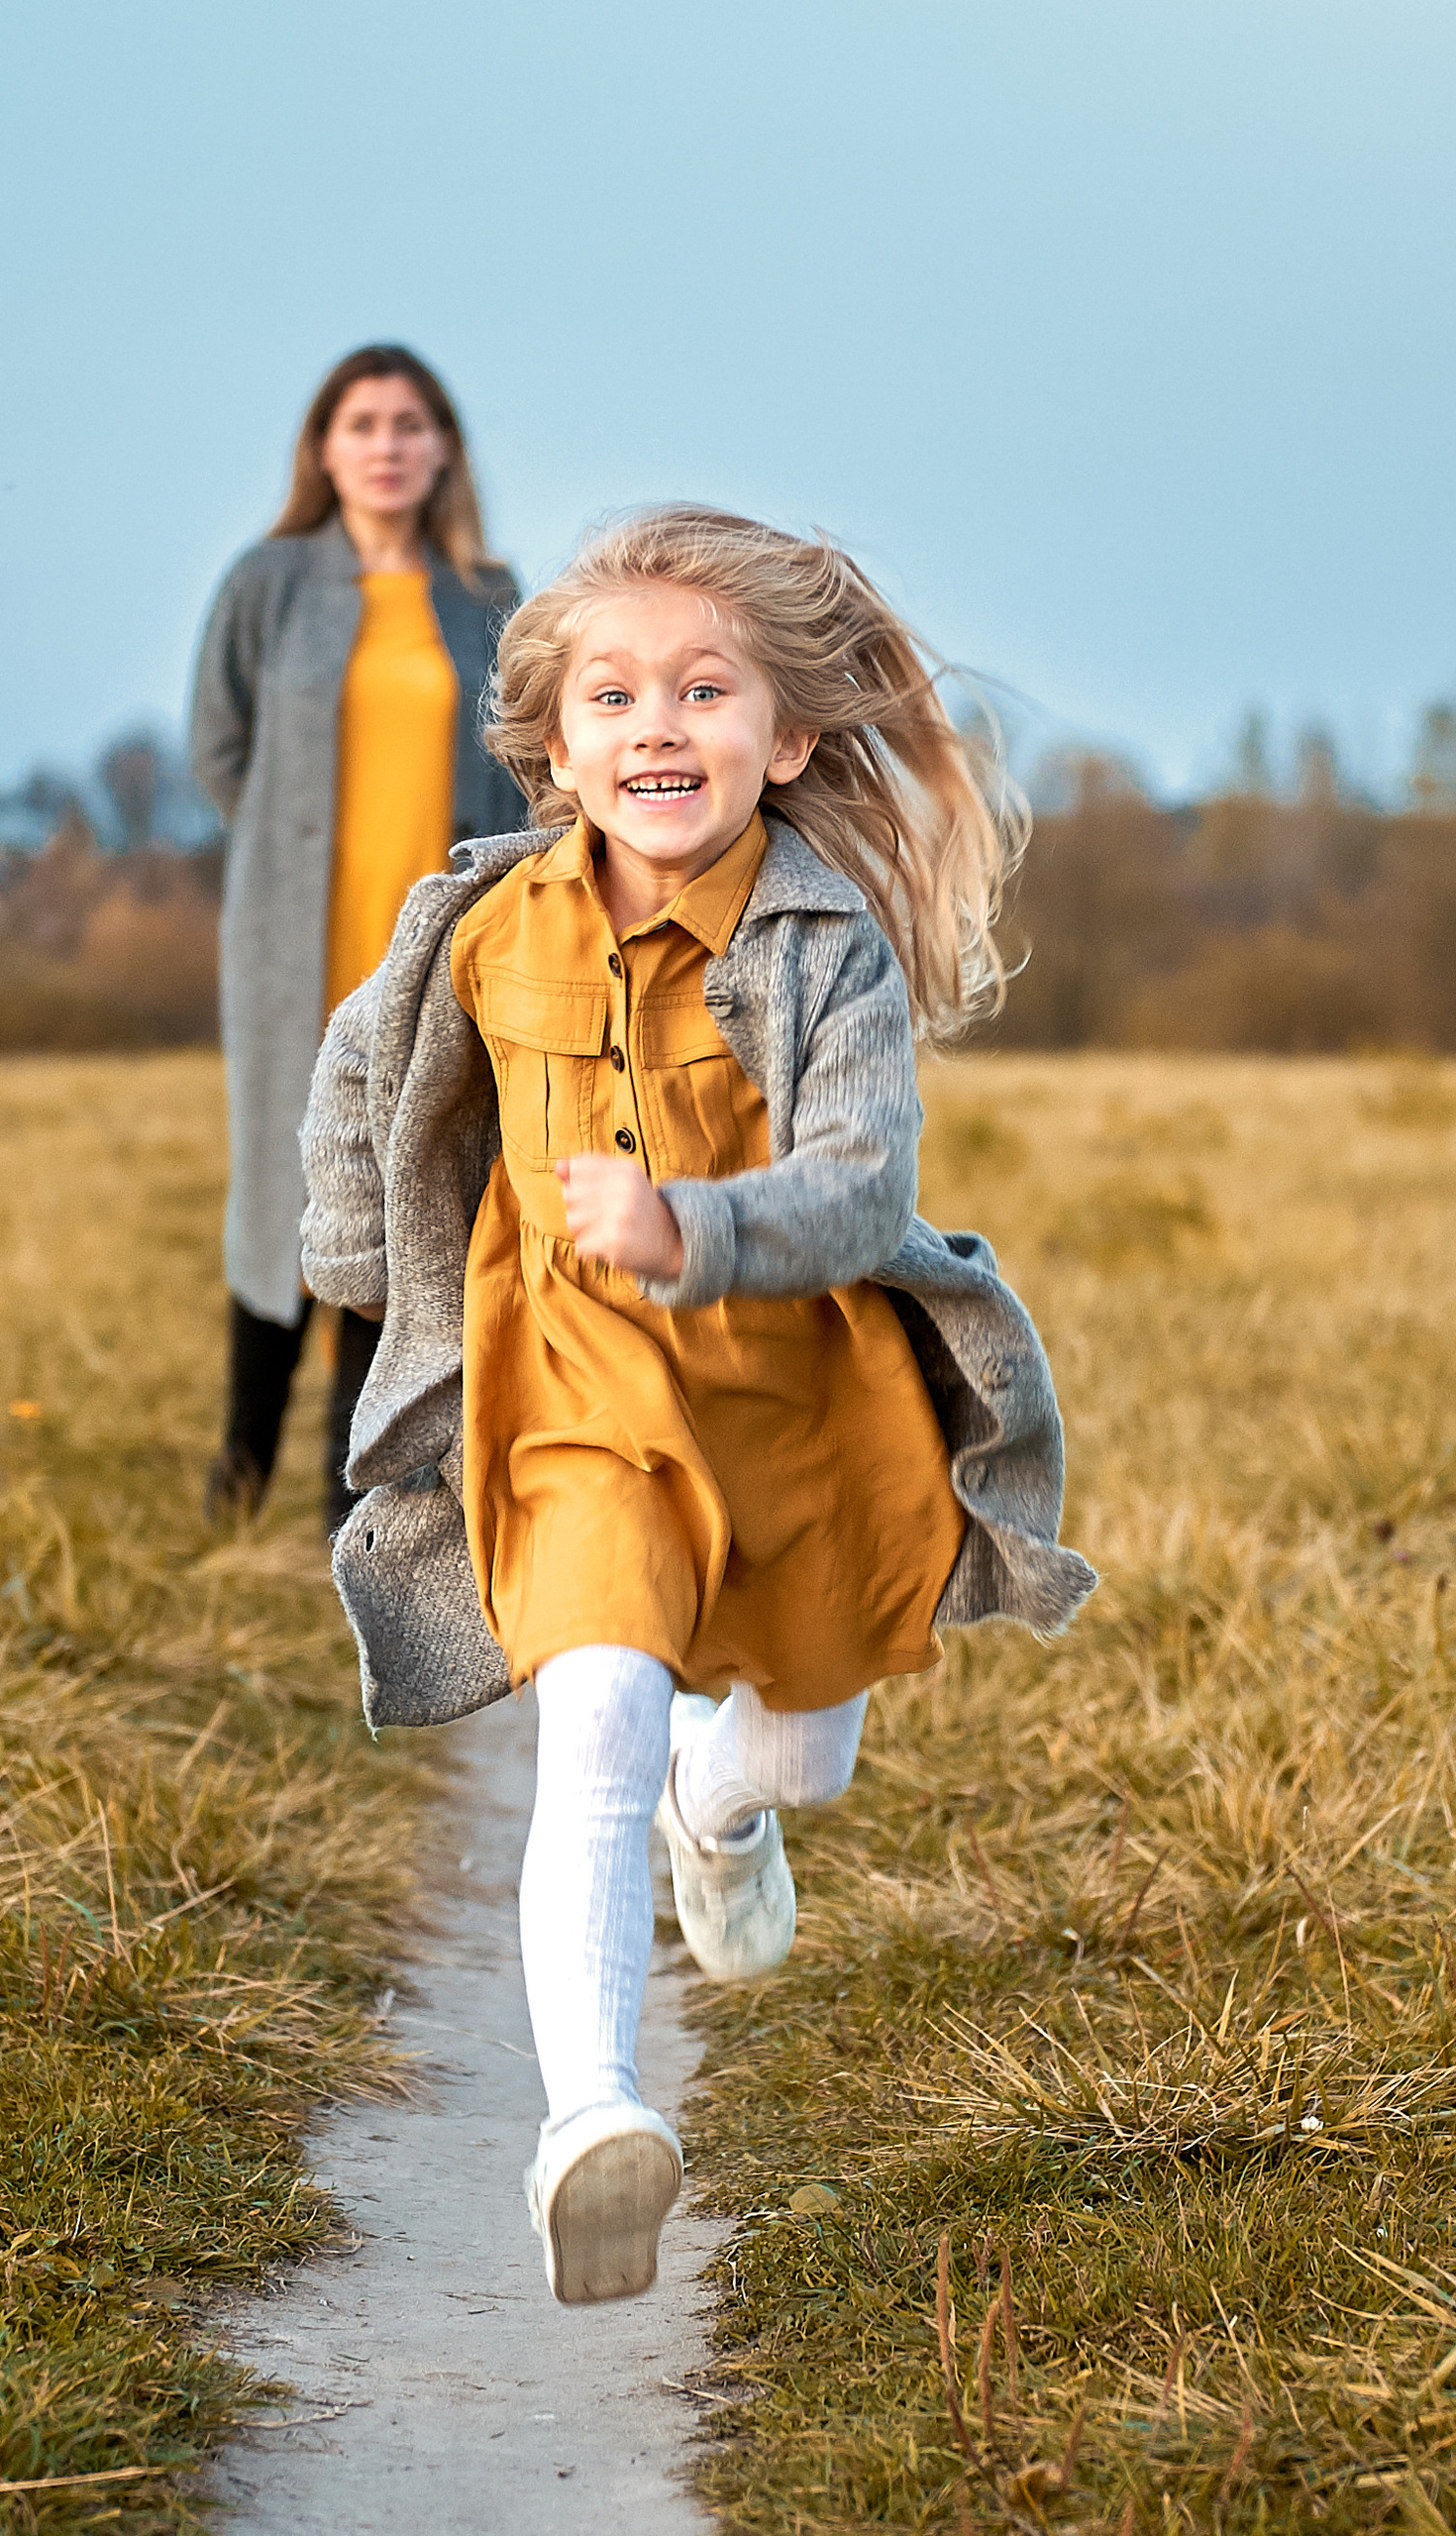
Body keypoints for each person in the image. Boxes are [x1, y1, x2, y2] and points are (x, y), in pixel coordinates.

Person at [299, 506, 1096, 2306]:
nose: (658, 725)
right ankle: (591, 2121)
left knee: (800, 1749)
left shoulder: (831, 955)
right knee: (590, 1718)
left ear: (786, 738)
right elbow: (361, 1087)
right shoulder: (485, 930)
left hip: (800, 1396)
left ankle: (716, 1814)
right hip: (576, 1392)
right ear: (557, 744)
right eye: (616, 694)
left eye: (705, 689)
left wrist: (693, 1225)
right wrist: (357, 1261)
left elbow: (864, 1193)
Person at [190, 344, 526, 1531]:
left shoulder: (489, 593)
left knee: (393, 1207)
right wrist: (293, 852)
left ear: (442, 448)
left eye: (408, 424)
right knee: (277, 1197)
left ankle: (356, 1503)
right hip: (295, 951)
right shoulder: (269, 582)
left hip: (425, 961)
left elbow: (526, 756)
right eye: (362, 423)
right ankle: (234, 1481)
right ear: (323, 447)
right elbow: (219, 745)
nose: (385, 445)